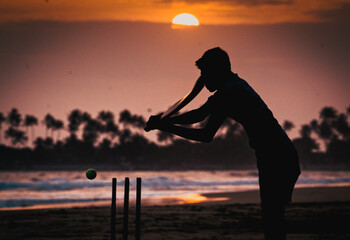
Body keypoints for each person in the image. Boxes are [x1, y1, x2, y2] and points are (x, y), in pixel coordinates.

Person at [145, 47, 301, 239]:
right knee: (272, 215)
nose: (203, 78)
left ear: (218, 71)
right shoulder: (233, 86)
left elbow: (198, 117)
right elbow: (207, 133)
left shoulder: (231, 92)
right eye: (201, 74)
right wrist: (165, 122)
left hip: (277, 156)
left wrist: (164, 124)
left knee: (272, 215)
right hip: (276, 154)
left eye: (206, 72)